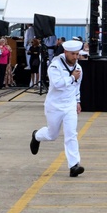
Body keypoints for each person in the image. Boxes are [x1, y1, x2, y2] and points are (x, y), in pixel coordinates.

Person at [29, 39, 85, 178]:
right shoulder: (55, 66)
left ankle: (74, 165)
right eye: (73, 54)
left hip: (70, 105)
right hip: (54, 105)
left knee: (71, 134)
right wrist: (71, 77)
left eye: (77, 54)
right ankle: (36, 136)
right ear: (65, 52)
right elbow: (58, 84)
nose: (76, 57)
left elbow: (77, 86)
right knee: (52, 135)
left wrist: (77, 101)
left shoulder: (78, 68)